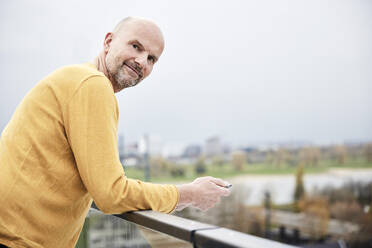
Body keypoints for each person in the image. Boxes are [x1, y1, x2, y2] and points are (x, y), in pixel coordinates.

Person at [0, 17, 230, 248]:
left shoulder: (77, 79)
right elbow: (112, 194)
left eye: (151, 59)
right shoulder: (92, 84)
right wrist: (189, 194)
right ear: (108, 42)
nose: (142, 61)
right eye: (135, 46)